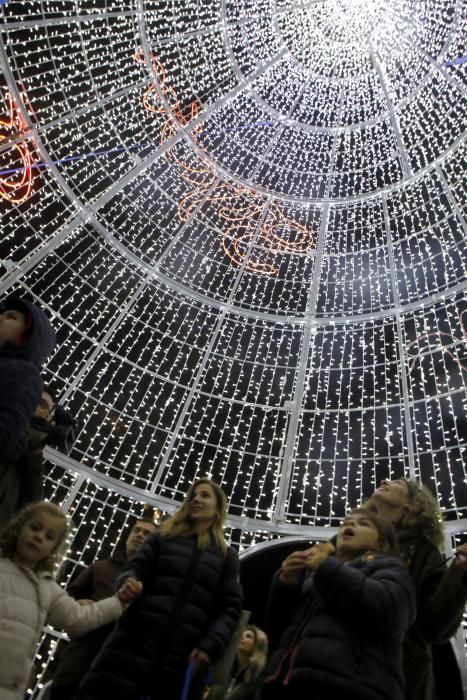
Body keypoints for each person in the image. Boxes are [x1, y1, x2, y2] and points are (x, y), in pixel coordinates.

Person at [75, 478, 243, 700]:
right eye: (193, 495)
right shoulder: (163, 537)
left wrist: (211, 644)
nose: (196, 499)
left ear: (218, 510)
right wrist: (128, 582)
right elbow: (134, 568)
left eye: (204, 495)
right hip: (131, 644)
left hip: (181, 657)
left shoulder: (225, 556)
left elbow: (230, 607)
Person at [259, 508, 416, 700]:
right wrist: (287, 583)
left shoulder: (388, 567)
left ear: (383, 543)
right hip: (288, 683)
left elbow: (390, 611)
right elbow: (279, 628)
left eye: (363, 523)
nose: (349, 524)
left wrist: (326, 568)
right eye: (345, 522)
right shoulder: (315, 576)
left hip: (352, 688)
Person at [0, 500, 130, 700]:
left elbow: (77, 618)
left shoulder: (46, 587)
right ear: (19, 528)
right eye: (35, 527)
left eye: (49, 536)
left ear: (54, 549)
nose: (38, 536)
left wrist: (118, 601)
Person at [367, 478, 467, 700]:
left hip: (396, 679)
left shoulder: (422, 550)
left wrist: (460, 572)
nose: (384, 480)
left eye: (397, 483)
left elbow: (434, 626)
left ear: (410, 506)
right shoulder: (352, 540)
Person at [48, 516, 158, 700]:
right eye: (136, 530)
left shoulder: (154, 582)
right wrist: (77, 604)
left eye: (147, 534)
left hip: (118, 676)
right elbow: (65, 601)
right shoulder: (101, 567)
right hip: (77, 666)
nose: (139, 535)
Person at [0, 296, 56, 453]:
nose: (1, 317)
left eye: (11, 317)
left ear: (27, 338)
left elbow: (5, 432)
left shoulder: (25, 375)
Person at [0, 387, 56, 530]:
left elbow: (32, 505)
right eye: (35, 400)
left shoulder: (29, 452)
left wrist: (35, 453)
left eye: (43, 406)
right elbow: (9, 448)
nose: (37, 408)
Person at [209, 624, 268, 700]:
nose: (242, 637)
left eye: (248, 636)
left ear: (257, 646)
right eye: (242, 635)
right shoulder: (227, 667)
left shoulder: (257, 679)